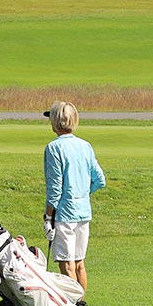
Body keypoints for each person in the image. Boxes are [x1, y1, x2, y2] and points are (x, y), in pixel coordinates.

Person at [42, 101, 105, 294]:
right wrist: (83, 193)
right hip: (83, 213)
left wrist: (47, 216)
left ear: (55, 121)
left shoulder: (53, 148)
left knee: (67, 264)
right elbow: (99, 180)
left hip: (64, 215)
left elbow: (55, 188)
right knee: (79, 263)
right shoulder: (85, 146)